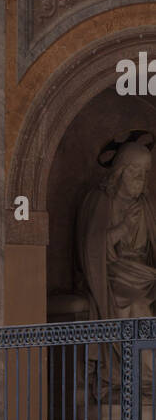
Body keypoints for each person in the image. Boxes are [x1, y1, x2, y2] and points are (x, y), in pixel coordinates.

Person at [77, 135, 156, 319]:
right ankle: (136, 349)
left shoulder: (146, 205)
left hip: (146, 274)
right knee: (137, 306)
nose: (140, 177)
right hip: (114, 274)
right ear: (120, 171)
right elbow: (91, 246)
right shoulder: (100, 200)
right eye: (135, 169)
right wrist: (124, 227)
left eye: (145, 172)